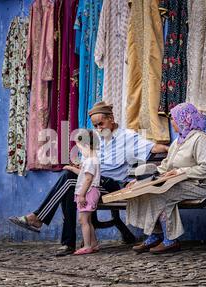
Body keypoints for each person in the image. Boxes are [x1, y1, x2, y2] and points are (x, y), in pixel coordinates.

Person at [9, 101, 169, 256]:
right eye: (95, 126)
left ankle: (40, 219)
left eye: (101, 124)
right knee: (70, 184)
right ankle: (67, 242)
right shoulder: (98, 140)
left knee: (69, 180)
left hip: (113, 183)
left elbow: (153, 147)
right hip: (96, 181)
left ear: (111, 119)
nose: (99, 129)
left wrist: (173, 150)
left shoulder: (127, 137)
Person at [127, 103, 206, 254]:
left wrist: (181, 171)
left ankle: (171, 240)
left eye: (174, 119)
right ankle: (156, 235)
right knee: (145, 191)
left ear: (185, 120)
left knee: (161, 194)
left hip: (198, 186)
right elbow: (165, 167)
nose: (172, 123)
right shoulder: (179, 141)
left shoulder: (201, 139)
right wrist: (142, 180)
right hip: (180, 184)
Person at [69, 130, 101, 255]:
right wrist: (72, 168)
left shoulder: (90, 161)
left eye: (80, 148)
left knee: (83, 221)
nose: (80, 151)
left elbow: (88, 179)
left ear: (86, 145)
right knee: (87, 220)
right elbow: (84, 175)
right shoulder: (92, 160)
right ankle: (93, 244)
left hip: (87, 193)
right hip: (89, 192)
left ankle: (87, 245)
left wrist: (81, 195)